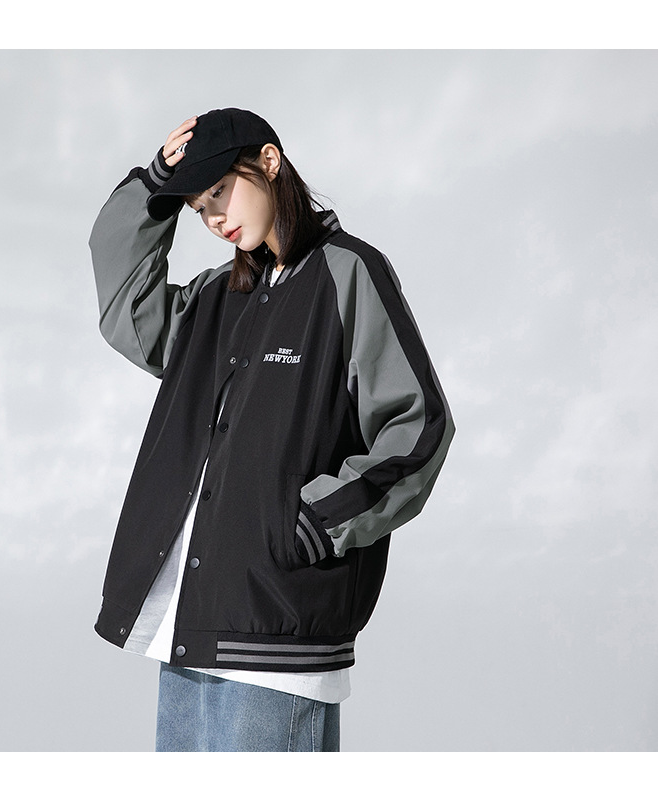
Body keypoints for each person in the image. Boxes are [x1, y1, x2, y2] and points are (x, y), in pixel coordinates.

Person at [88, 108, 455, 752]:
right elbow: (127, 308)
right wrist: (152, 187)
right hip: (188, 631)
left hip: (278, 639)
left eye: (220, 191)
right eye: (199, 208)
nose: (214, 218)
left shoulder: (349, 274)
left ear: (269, 161)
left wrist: (315, 523)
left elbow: (417, 427)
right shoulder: (213, 298)